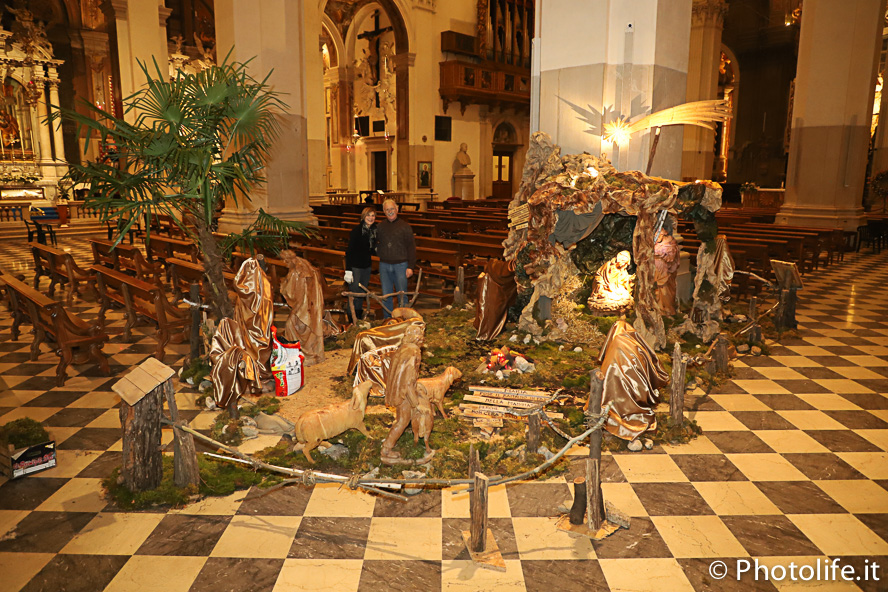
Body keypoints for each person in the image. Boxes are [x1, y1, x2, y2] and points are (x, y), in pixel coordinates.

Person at [376, 198, 416, 317]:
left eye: (392, 209)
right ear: (384, 211)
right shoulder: (380, 226)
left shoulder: (405, 226)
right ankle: (388, 321)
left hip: (401, 265)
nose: (390, 212)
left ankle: (402, 320)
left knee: (402, 295)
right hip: (384, 265)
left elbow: (411, 248)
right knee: (386, 295)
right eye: (387, 210)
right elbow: (374, 243)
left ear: (397, 209)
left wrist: (411, 267)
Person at [345, 207, 377, 320]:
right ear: (363, 217)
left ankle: (358, 315)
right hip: (355, 266)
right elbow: (349, 251)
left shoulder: (374, 230)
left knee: (362, 292)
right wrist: (348, 270)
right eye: (368, 215)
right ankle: (351, 317)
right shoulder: (357, 231)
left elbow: (372, 249)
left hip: (366, 266)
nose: (371, 218)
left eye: (373, 215)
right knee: (354, 293)